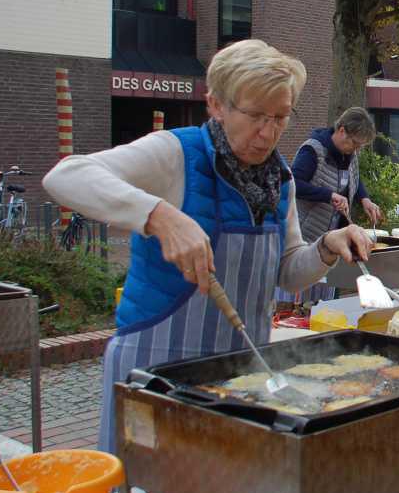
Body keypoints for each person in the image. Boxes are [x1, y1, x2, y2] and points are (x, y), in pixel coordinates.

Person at [42, 40, 373, 453]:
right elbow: (66, 176)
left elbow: (287, 272)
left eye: (280, 117)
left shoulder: (281, 180)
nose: (268, 133)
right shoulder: (174, 154)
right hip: (156, 374)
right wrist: (159, 215)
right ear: (216, 104)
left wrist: (325, 247)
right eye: (255, 116)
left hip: (240, 377)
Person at [292, 107, 383, 239]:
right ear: (342, 131)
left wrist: (365, 199)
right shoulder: (312, 150)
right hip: (306, 235)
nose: (356, 150)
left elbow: (354, 179)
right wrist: (329, 195)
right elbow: (294, 184)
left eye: (360, 146)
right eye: (355, 143)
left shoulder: (350, 153)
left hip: (334, 236)